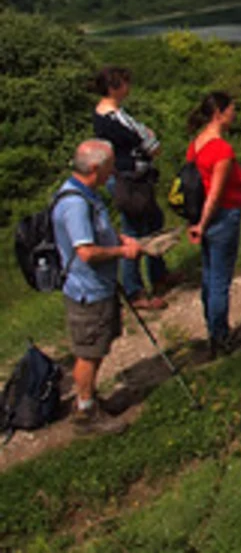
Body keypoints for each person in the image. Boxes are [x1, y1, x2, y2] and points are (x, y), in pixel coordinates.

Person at [52, 139, 144, 435]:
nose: (113, 170)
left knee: (98, 346)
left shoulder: (86, 193)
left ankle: (89, 398)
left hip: (98, 287)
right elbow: (86, 252)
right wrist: (122, 253)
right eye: (109, 165)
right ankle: (86, 411)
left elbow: (99, 230)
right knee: (89, 351)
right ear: (94, 167)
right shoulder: (75, 204)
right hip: (87, 291)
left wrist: (119, 238)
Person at [91, 65, 173, 310]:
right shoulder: (112, 119)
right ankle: (134, 290)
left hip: (135, 178)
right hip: (129, 180)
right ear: (115, 87)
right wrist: (148, 137)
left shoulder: (109, 113)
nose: (129, 87)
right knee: (134, 235)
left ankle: (158, 274)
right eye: (125, 83)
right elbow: (147, 142)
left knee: (153, 222)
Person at [185, 92, 241, 358]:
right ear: (219, 114)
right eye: (231, 109)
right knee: (220, 279)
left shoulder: (197, 144)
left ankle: (213, 329)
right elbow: (216, 193)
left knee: (210, 275)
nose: (234, 114)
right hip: (222, 216)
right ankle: (220, 336)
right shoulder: (221, 149)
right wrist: (203, 222)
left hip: (205, 217)